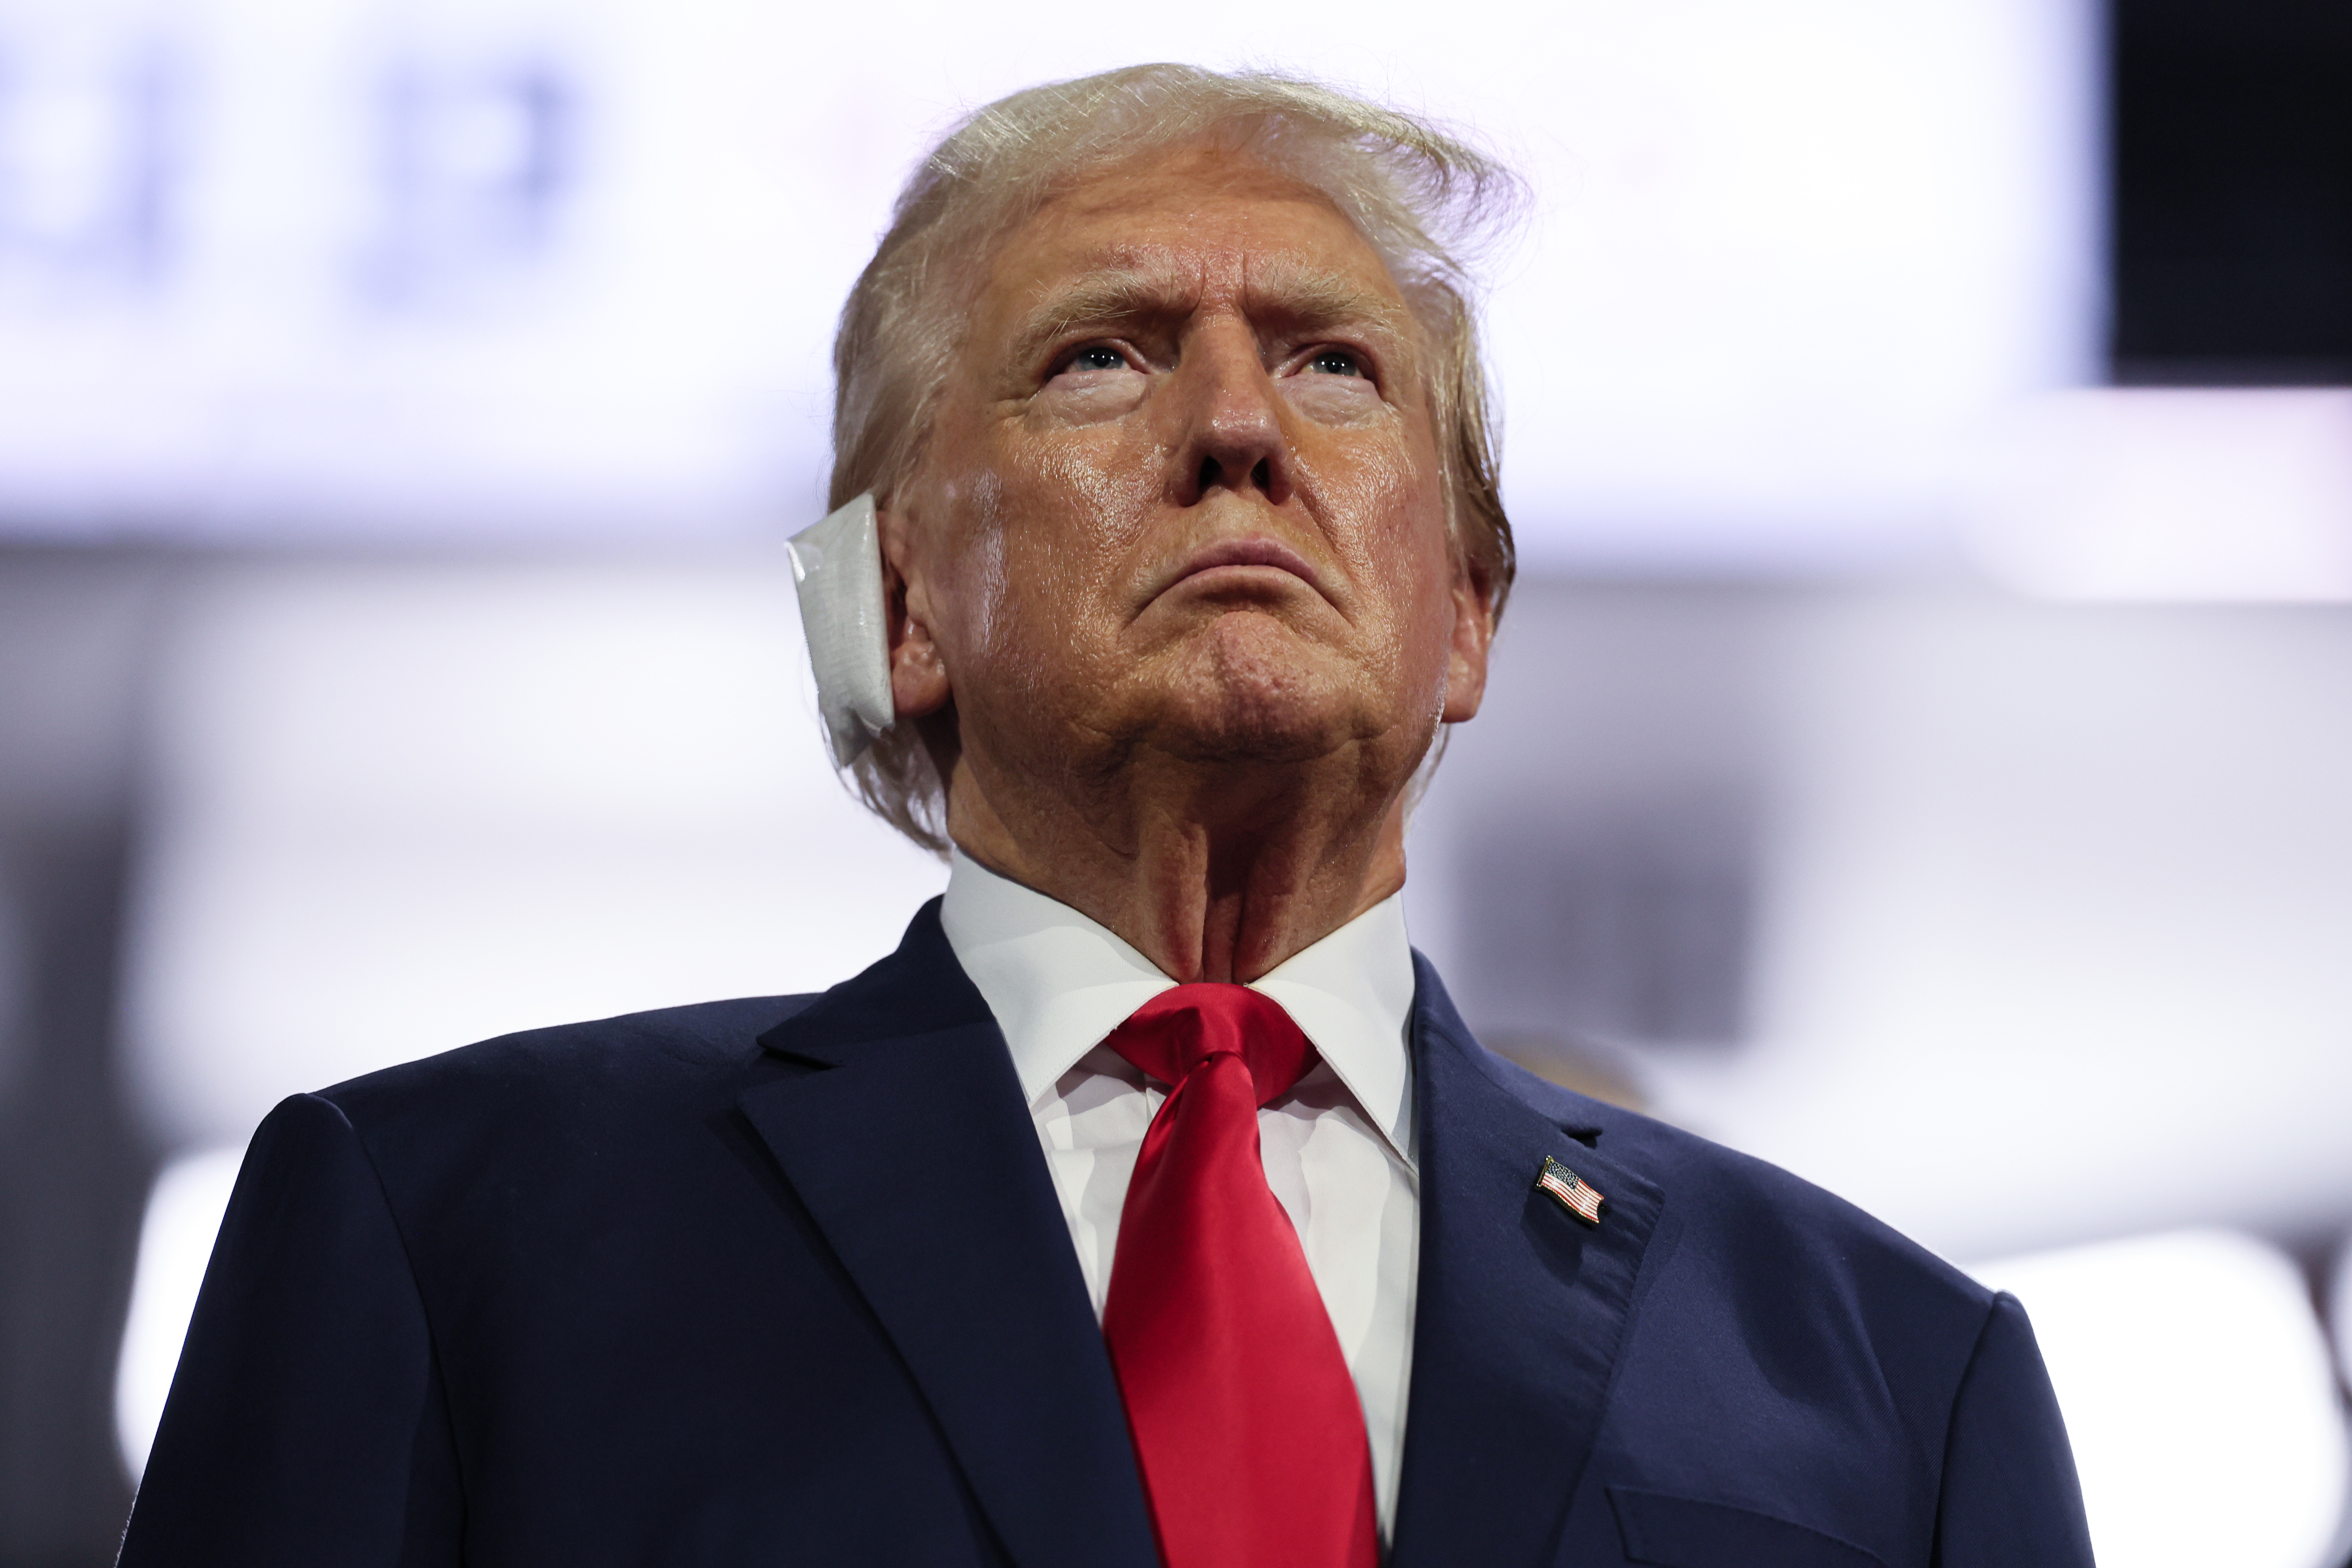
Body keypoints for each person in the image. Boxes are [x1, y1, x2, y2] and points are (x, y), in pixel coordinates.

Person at [119, 64, 2093, 1568]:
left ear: (1465, 611)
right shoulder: (450, 1240)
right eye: (1098, 360)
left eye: (1335, 368)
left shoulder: (1891, 1374)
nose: (1236, 430)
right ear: (896, 608)